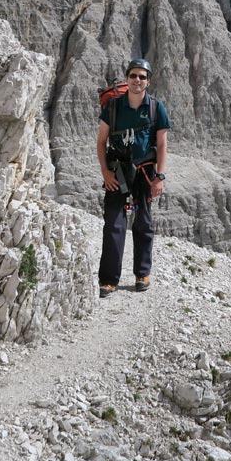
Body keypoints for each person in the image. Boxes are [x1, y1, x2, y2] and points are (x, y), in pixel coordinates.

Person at [95, 58, 170, 297]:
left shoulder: (156, 108)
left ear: (148, 81)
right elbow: (101, 141)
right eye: (133, 76)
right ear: (127, 79)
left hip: (145, 172)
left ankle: (142, 274)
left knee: (144, 223)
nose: (137, 80)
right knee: (114, 224)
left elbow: (162, 143)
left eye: (142, 77)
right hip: (117, 171)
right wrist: (105, 172)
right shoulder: (113, 107)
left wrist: (160, 176)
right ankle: (108, 280)